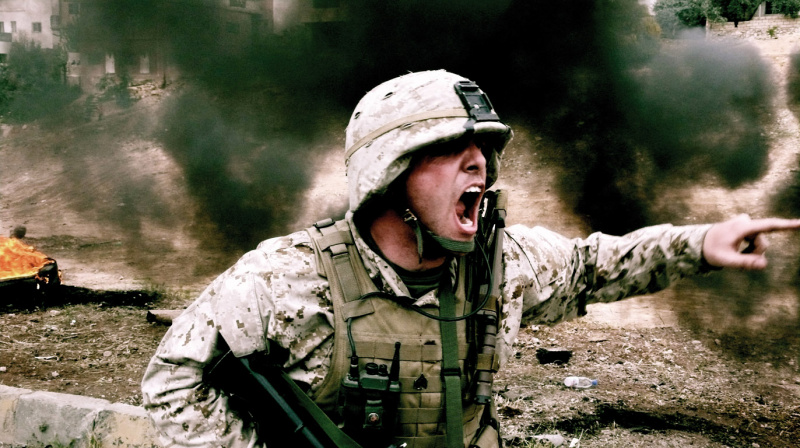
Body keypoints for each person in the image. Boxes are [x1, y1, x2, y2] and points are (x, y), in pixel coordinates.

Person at [141, 70, 800, 448]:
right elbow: (172, 383)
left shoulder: (501, 266)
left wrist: (699, 244)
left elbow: (594, 266)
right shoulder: (287, 280)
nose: (479, 162)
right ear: (387, 173)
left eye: (482, 147)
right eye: (449, 148)